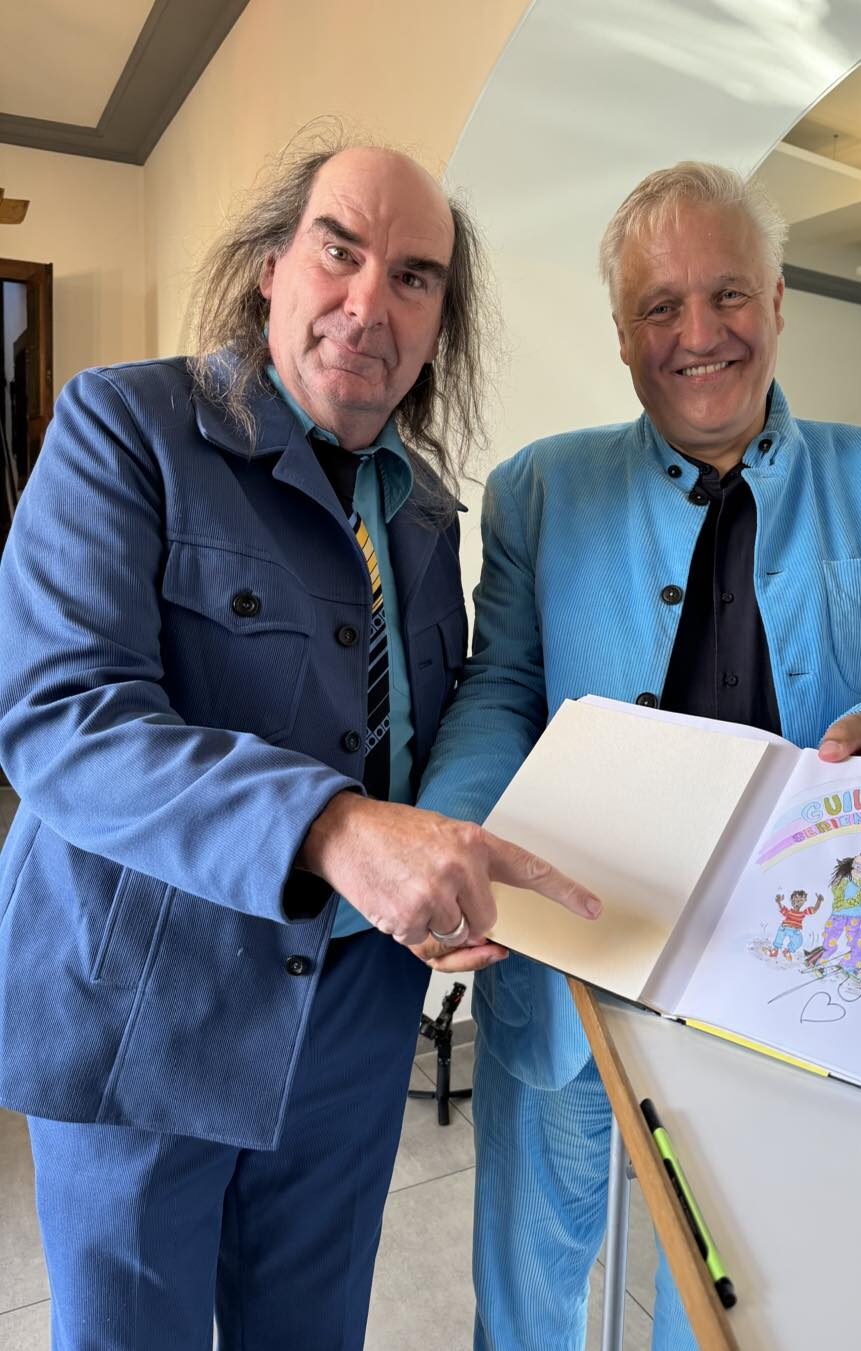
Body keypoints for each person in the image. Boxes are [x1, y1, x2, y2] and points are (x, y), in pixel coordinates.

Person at [0, 134, 599, 1351]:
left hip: (353, 1014)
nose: (368, 303)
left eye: (414, 277)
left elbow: (431, 721)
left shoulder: (424, 511)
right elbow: (62, 715)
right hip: (147, 1003)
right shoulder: (126, 424)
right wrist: (329, 826)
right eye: (339, 251)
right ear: (271, 267)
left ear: (438, 323)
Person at [417, 160, 861, 1350]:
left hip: (789, 979)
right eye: (658, 307)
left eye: (726, 294)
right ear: (621, 333)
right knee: (528, 1284)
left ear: (776, 300)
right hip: (574, 961)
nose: (697, 335)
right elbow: (498, 691)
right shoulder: (537, 488)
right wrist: (452, 837)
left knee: (726, 1297)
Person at [767, 889, 823, 960]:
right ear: (791, 900)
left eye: (801, 900)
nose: (798, 901)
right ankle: (775, 950)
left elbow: (814, 910)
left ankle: (787, 951)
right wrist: (778, 902)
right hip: (784, 928)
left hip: (795, 931)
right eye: (795, 899)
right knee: (779, 937)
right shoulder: (788, 912)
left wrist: (819, 901)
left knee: (799, 941)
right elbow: (781, 908)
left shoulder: (803, 913)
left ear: (804, 901)